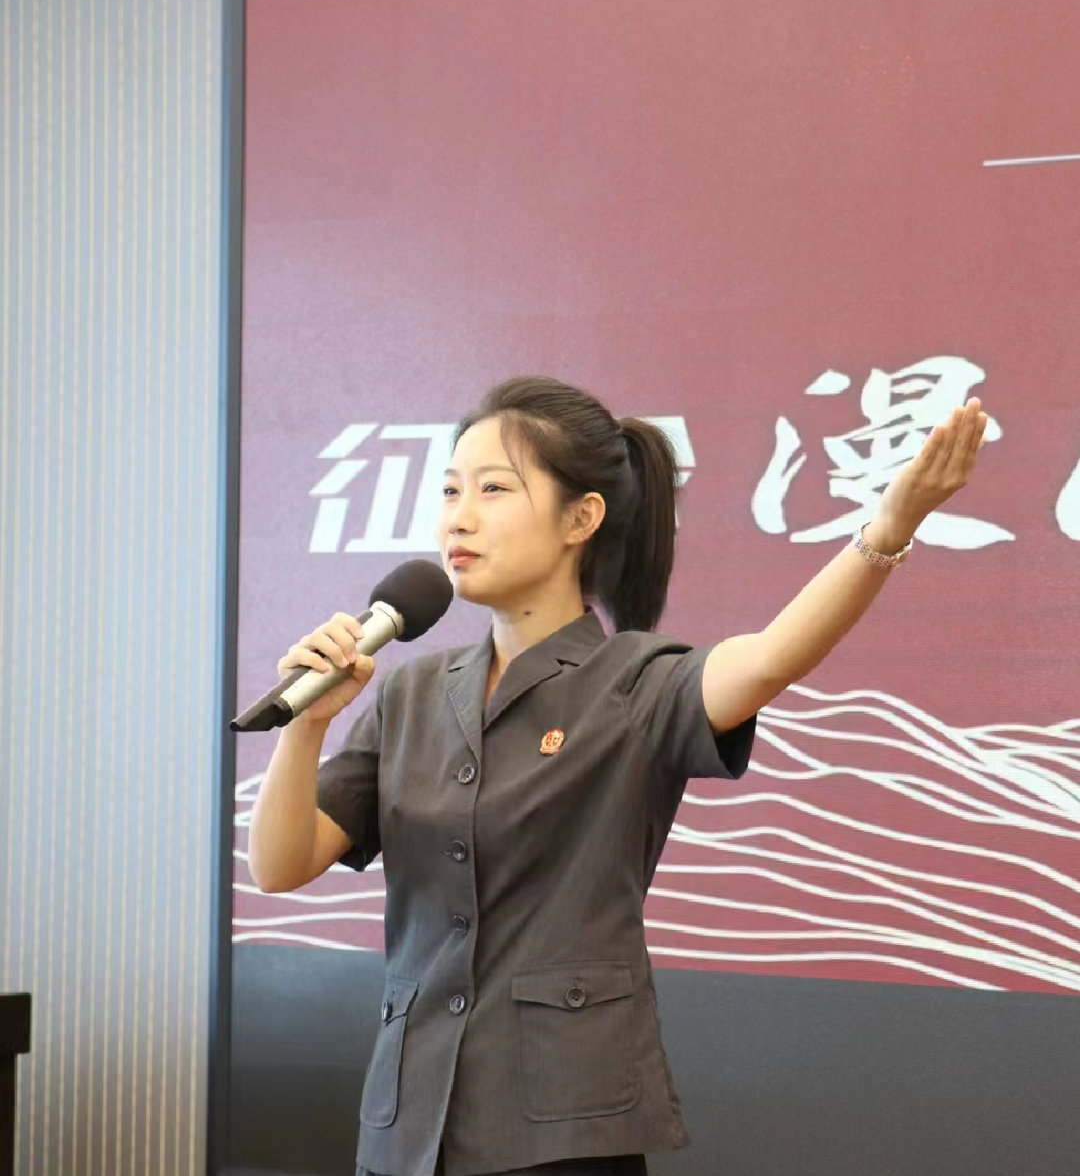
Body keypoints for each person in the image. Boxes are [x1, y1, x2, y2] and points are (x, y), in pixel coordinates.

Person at [248, 377, 989, 1176]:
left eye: (494, 490)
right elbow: (280, 865)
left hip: (561, 1131)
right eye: (451, 490)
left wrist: (889, 527)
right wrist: (308, 725)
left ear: (581, 519)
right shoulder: (410, 692)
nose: (458, 517)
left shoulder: (635, 680)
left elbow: (770, 659)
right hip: (406, 1128)